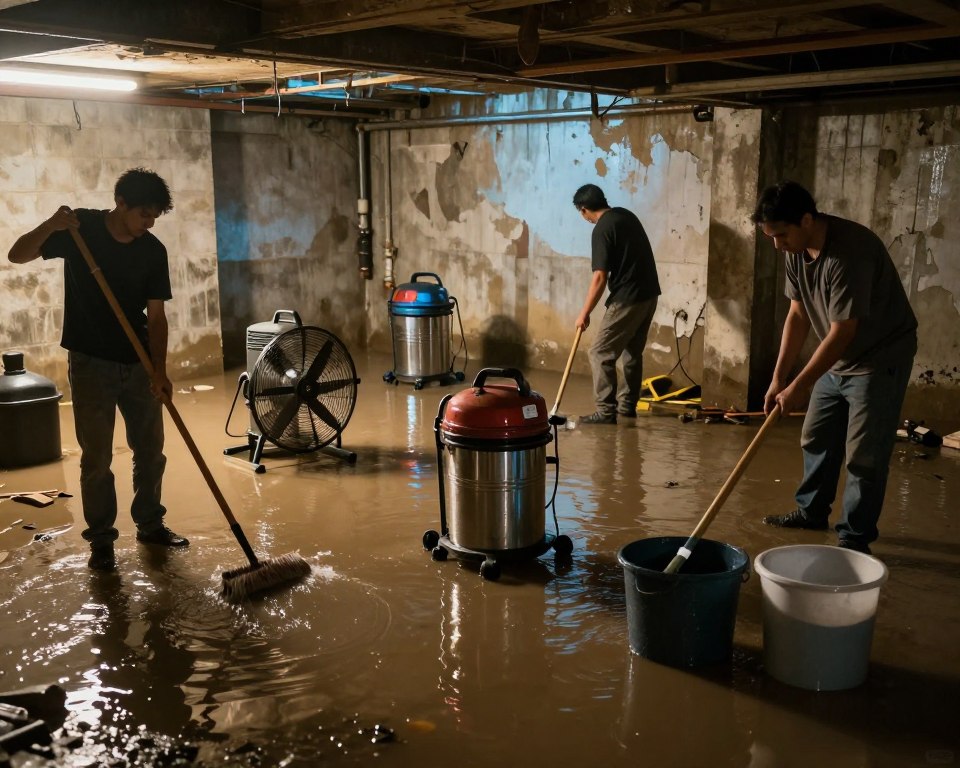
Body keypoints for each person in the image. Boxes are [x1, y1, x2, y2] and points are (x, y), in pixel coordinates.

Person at [8, 168, 189, 571]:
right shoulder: (79, 230)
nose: (150, 223)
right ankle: (102, 542)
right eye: (144, 213)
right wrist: (51, 224)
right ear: (120, 203)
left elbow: (156, 317)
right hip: (90, 363)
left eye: (155, 215)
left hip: (139, 361)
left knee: (150, 451)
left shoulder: (152, 251)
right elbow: (16, 254)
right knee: (97, 459)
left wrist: (159, 372)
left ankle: (150, 524)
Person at [751, 180, 917, 555]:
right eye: (770, 237)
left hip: (878, 357)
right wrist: (779, 379)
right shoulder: (794, 250)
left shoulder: (849, 253)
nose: (777, 245)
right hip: (839, 356)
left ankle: (854, 538)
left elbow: (843, 331)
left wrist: (800, 385)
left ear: (807, 219)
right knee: (817, 435)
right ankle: (811, 512)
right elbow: (796, 315)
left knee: (864, 455)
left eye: (780, 235)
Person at [572, 183, 661, 424]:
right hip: (649, 294)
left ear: (583, 209)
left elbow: (600, 276)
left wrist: (585, 312)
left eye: (582, 214)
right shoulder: (625, 215)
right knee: (632, 351)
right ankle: (627, 407)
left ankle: (605, 412)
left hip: (628, 297)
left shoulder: (602, 228)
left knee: (600, 352)